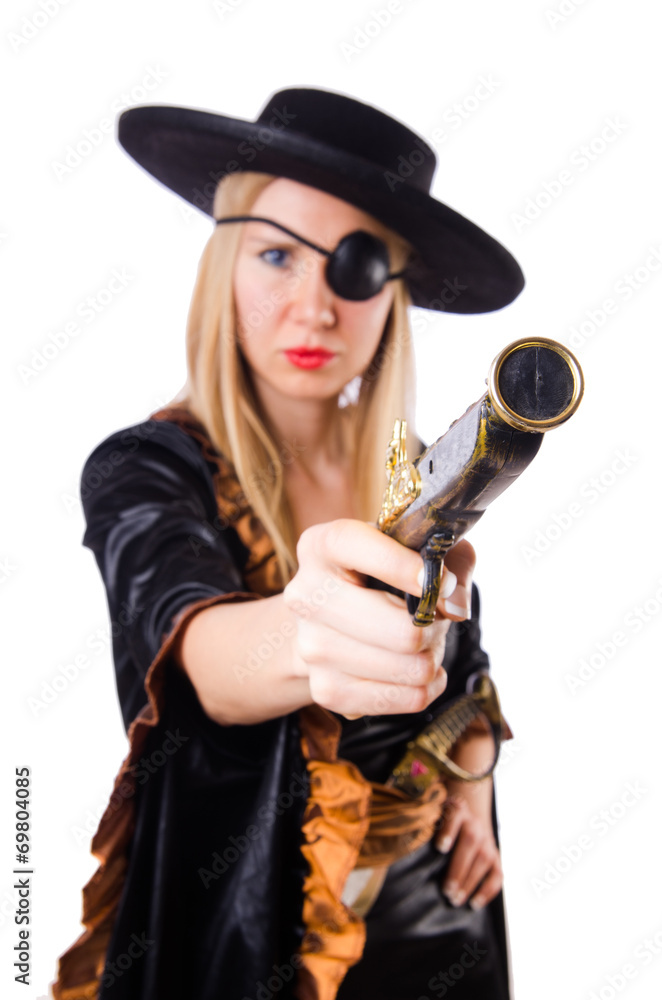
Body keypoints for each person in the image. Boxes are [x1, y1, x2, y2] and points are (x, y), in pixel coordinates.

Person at [53, 87, 524, 1000]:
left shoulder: (414, 474)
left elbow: (466, 668)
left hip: (440, 927)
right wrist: (304, 635)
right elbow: (196, 655)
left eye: (355, 267)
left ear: (393, 297)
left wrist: (471, 775)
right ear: (225, 265)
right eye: (276, 254)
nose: (314, 307)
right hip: (244, 941)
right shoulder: (144, 470)